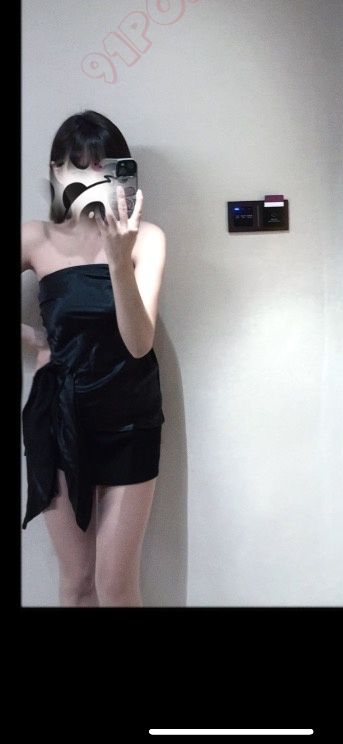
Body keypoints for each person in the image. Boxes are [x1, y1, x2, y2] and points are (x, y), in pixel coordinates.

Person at [21, 110, 166, 607]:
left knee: (115, 584)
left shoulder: (148, 238)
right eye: (74, 165)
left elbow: (138, 342)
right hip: (58, 418)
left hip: (130, 419)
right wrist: (35, 338)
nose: (87, 177)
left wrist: (119, 261)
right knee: (78, 580)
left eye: (99, 165)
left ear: (119, 171)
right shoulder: (35, 237)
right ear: (56, 172)